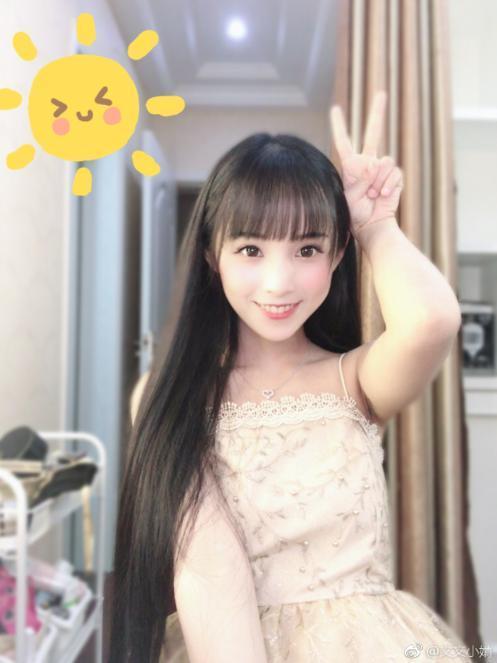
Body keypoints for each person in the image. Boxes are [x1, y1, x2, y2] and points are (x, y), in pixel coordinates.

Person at [109, 91, 471, 662]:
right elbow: (208, 573)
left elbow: (432, 322)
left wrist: (377, 227)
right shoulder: (174, 395)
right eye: (251, 249)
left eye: (307, 249)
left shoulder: (353, 379)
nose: (278, 282)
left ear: (336, 255)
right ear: (212, 255)